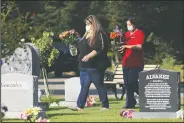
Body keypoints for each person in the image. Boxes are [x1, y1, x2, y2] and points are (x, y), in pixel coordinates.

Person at [69, 15, 110, 111]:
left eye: (89, 24)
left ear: (94, 24)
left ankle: (105, 105)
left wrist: (88, 56)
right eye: (86, 24)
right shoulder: (85, 35)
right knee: (84, 86)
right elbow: (81, 48)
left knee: (99, 84)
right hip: (83, 65)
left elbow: (99, 49)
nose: (87, 26)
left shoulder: (100, 35)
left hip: (95, 65)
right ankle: (79, 106)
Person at [118, 17, 145, 108]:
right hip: (126, 62)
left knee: (132, 82)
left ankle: (145, 97)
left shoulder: (139, 33)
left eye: (129, 24)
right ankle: (129, 103)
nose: (128, 26)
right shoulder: (125, 34)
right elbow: (124, 46)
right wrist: (122, 48)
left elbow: (139, 47)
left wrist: (127, 46)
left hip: (136, 63)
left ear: (134, 24)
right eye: (127, 25)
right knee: (127, 84)